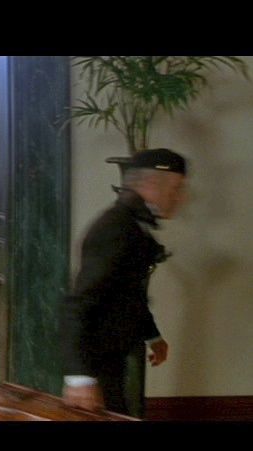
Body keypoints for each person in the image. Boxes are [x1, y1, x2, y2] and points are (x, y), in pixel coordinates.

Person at [61, 148, 187, 418]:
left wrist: (152, 335)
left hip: (112, 354)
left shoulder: (133, 225)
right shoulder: (115, 229)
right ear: (151, 184)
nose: (180, 197)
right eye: (176, 189)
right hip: (96, 359)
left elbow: (128, 292)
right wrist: (80, 378)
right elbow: (77, 304)